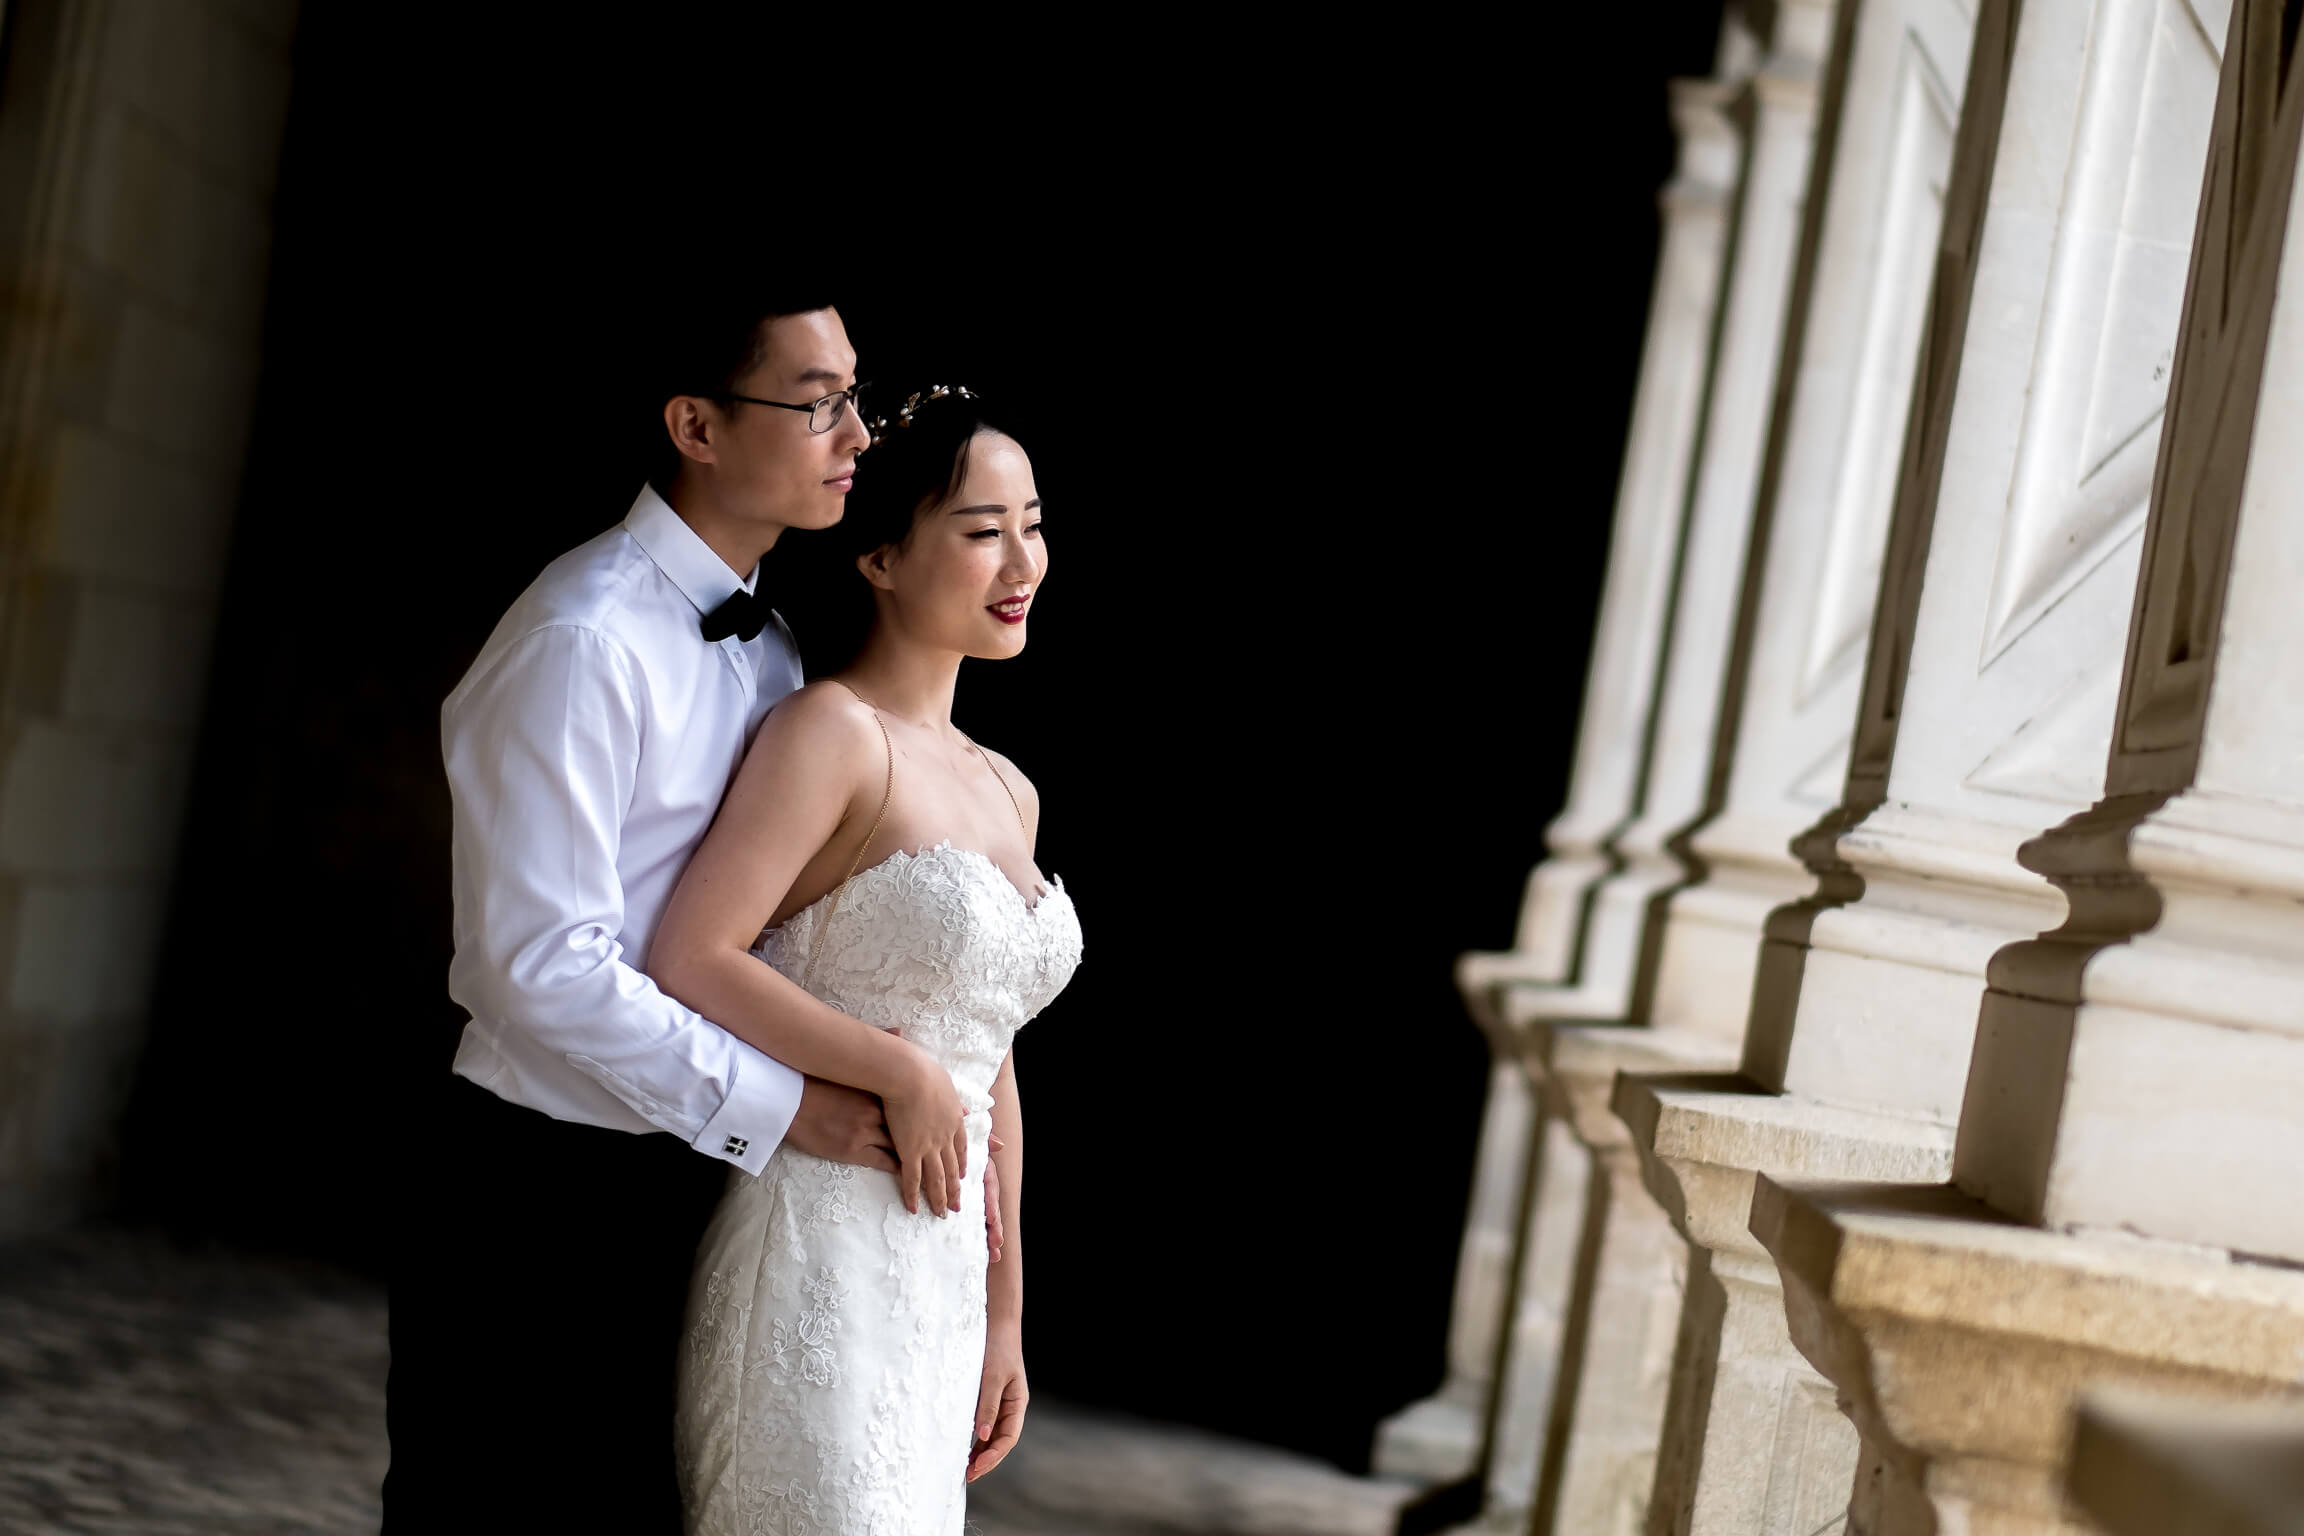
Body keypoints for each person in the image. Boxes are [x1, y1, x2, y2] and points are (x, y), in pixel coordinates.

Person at [386, 291, 983, 1533]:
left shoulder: (767, 647)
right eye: (817, 402)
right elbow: (538, 970)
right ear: (697, 427)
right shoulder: (582, 639)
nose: (858, 435)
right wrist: (783, 1109)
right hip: (541, 1192)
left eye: (854, 396)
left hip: (688, 1185)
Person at [646, 390, 1080, 1534]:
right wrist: (898, 1072)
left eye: (1032, 522)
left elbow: (995, 1064)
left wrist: (1005, 1317)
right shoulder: (831, 735)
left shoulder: (1008, 788)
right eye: (983, 530)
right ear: (882, 556)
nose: (1022, 558)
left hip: (942, 1287)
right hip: (816, 1251)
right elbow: (693, 953)